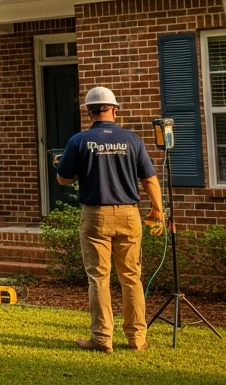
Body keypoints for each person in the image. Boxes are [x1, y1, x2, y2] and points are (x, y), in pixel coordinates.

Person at [54, 86, 163, 353]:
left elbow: (63, 178)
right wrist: (158, 210)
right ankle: (137, 339)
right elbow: (149, 178)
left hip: (95, 216)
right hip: (129, 214)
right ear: (115, 110)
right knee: (131, 278)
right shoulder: (133, 140)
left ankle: (102, 338)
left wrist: (82, 170)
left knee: (99, 278)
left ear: (89, 112)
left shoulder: (78, 141)